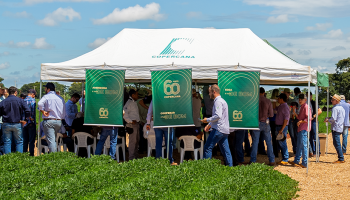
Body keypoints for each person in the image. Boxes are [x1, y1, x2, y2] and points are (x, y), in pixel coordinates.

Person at [201, 84, 233, 167]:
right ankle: (230, 168)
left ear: (214, 92)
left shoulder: (218, 101)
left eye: (209, 92)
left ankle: (206, 169)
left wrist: (207, 120)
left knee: (207, 148)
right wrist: (209, 125)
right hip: (224, 130)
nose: (209, 94)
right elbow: (220, 117)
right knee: (226, 151)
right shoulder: (223, 101)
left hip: (218, 129)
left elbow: (218, 116)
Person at [0, 86, 30, 154]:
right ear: (16, 92)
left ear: (8, 92)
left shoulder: (3, 101)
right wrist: (26, 119)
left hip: (6, 123)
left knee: (7, 142)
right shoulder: (20, 100)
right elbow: (28, 110)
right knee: (19, 142)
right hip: (17, 123)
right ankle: (19, 158)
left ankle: (8, 159)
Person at [146, 101, 177, 165]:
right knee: (168, 143)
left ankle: (158, 160)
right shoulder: (168, 97)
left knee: (158, 143)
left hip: (158, 123)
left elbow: (150, 111)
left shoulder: (155, 98)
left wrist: (148, 122)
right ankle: (170, 160)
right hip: (167, 123)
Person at [250, 87, 275, 166]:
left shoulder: (254, 101)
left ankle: (253, 160)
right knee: (268, 142)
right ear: (264, 93)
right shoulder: (268, 101)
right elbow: (271, 114)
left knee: (255, 142)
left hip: (256, 123)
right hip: (265, 122)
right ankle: (271, 160)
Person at [38, 82, 66, 153]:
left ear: (48, 89)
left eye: (45, 88)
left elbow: (39, 103)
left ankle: (53, 157)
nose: (45, 89)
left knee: (51, 140)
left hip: (49, 121)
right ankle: (55, 154)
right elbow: (64, 111)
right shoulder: (60, 98)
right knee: (54, 139)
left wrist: (43, 111)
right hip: (58, 121)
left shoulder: (46, 96)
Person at [290, 94, 312, 168]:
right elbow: (300, 117)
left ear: (305, 100)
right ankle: (296, 160)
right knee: (299, 145)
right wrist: (294, 112)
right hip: (301, 128)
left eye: (301, 100)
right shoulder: (302, 107)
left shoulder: (306, 107)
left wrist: (301, 121)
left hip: (304, 128)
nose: (300, 101)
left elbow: (308, 118)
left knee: (303, 146)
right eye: (299, 99)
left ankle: (304, 163)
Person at [325, 94, 346, 163]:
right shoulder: (342, 108)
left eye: (332, 100)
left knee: (336, 143)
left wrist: (328, 120)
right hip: (340, 127)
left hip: (336, 127)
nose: (331, 101)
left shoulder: (335, 108)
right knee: (337, 142)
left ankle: (341, 158)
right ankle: (341, 157)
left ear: (336, 101)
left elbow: (333, 118)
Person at [123, 89, 140, 160]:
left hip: (136, 124)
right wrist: (130, 121)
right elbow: (124, 113)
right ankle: (131, 158)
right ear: (133, 95)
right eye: (137, 94)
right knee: (133, 142)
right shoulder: (129, 103)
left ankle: (135, 157)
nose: (138, 96)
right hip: (132, 125)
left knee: (136, 141)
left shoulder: (134, 102)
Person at [275, 93, 290, 165]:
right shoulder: (281, 106)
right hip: (279, 126)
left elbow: (286, 119)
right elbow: (274, 109)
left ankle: (285, 158)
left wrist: (282, 129)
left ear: (281, 99)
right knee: (280, 143)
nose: (277, 99)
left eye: (278, 98)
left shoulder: (285, 107)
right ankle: (284, 158)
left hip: (282, 127)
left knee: (283, 143)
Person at [22, 89, 37, 156]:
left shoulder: (23, 100)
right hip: (31, 122)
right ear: (33, 94)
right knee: (31, 140)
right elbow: (33, 111)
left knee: (25, 140)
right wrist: (32, 119)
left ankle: (24, 154)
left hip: (24, 122)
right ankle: (31, 154)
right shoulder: (33, 100)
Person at [308, 92, 322, 156]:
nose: (308, 97)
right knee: (310, 137)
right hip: (308, 122)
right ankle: (313, 151)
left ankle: (317, 152)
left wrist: (314, 116)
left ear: (311, 96)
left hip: (313, 122)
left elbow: (320, 111)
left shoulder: (314, 103)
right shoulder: (306, 103)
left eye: (309, 95)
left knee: (315, 137)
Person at [270, 89, 280, 158]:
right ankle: (278, 150)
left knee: (273, 136)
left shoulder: (270, 100)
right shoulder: (278, 101)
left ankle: (274, 151)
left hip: (271, 119)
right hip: (277, 119)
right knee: (278, 135)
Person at [0, 84, 6, 155]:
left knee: (2, 140)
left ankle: (1, 155)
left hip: (2, 122)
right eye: (2, 89)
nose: (3, 90)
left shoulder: (3, 99)